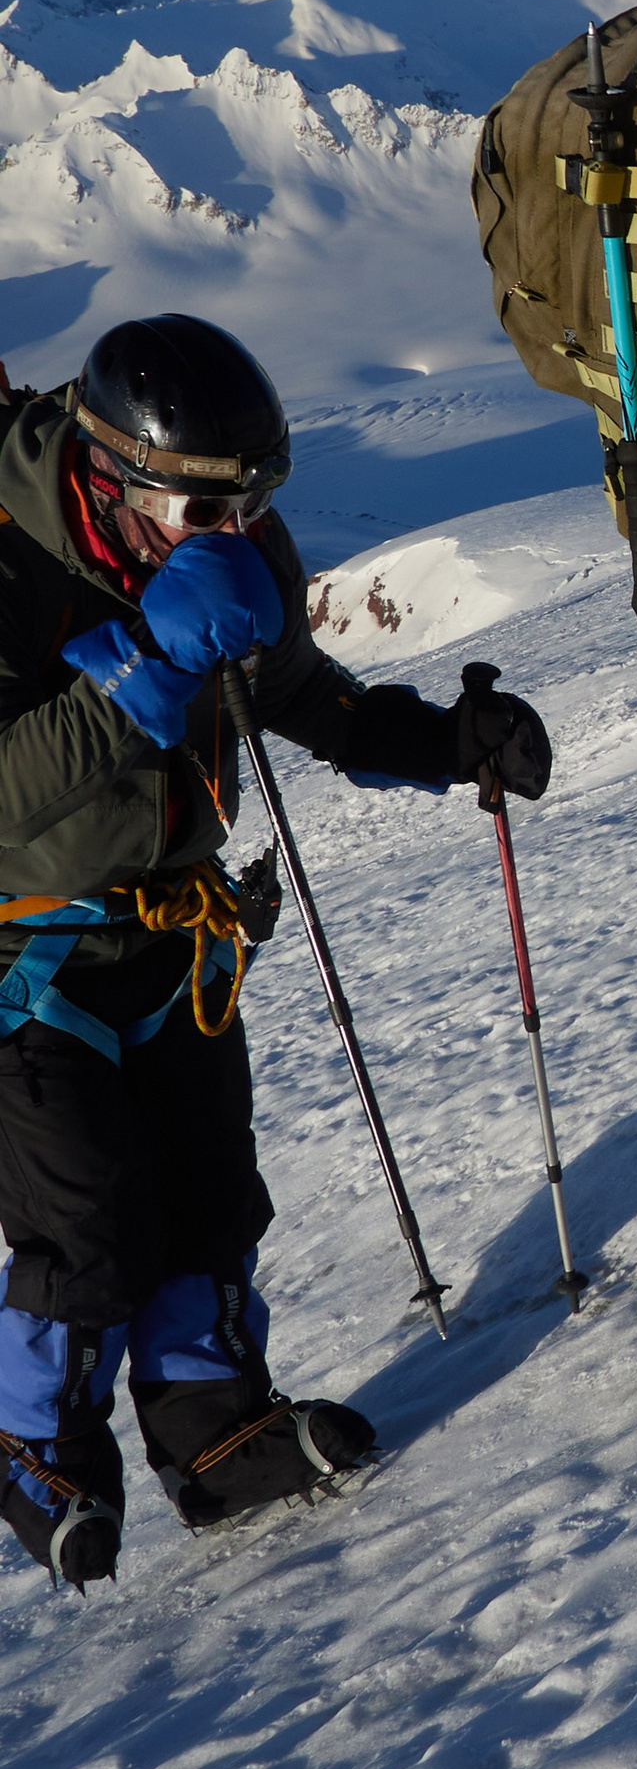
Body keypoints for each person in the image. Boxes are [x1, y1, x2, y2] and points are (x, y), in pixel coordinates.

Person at [0, 316, 551, 1585]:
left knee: (206, 1187)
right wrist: (133, 672)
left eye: (254, 501)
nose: (237, 528)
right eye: (207, 506)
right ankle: (38, 1450)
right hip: (22, 955)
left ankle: (215, 1432)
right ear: (110, 472)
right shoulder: (10, 556)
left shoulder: (223, 530)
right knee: (85, 1218)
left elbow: (297, 692)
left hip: (175, 930)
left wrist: (442, 742)